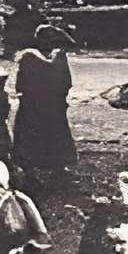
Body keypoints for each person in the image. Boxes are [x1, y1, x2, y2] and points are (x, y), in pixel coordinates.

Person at [11, 26, 78, 194]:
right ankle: (46, 169)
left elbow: (21, 85)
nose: (49, 42)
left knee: (41, 135)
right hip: (48, 105)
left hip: (40, 105)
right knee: (49, 134)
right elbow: (66, 83)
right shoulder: (52, 58)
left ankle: (43, 169)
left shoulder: (32, 58)